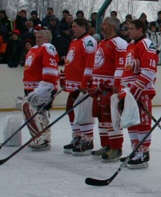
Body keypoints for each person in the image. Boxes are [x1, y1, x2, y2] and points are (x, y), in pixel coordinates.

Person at [119, 19, 160, 169]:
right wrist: (123, 92)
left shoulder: (146, 44)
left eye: (131, 28)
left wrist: (134, 92)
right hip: (129, 91)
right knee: (131, 121)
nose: (128, 31)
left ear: (140, 30)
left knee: (142, 123)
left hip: (140, 91)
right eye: (128, 28)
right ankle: (135, 151)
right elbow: (127, 70)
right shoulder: (130, 45)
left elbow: (149, 71)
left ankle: (143, 153)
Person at [88, 18, 128, 162]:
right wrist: (92, 83)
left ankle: (115, 148)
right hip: (99, 88)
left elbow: (121, 66)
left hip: (109, 88)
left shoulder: (120, 43)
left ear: (111, 26)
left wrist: (116, 85)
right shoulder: (102, 43)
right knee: (102, 118)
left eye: (104, 23)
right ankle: (106, 145)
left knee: (112, 118)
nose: (101, 26)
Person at [62, 18, 97, 155]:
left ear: (83, 27)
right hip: (73, 83)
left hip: (82, 85)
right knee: (71, 110)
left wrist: (85, 82)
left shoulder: (89, 41)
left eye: (75, 26)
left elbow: (90, 64)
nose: (72, 29)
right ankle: (77, 136)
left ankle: (87, 139)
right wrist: (65, 78)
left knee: (83, 112)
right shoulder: (75, 41)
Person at [22, 29, 60, 150]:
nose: (37, 38)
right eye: (36, 37)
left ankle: (41, 137)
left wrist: (44, 88)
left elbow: (50, 69)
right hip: (32, 87)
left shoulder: (47, 47)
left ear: (48, 39)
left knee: (28, 107)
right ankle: (44, 137)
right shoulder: (34, 49)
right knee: (39, 112)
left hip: (41, 87)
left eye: (40, 37)